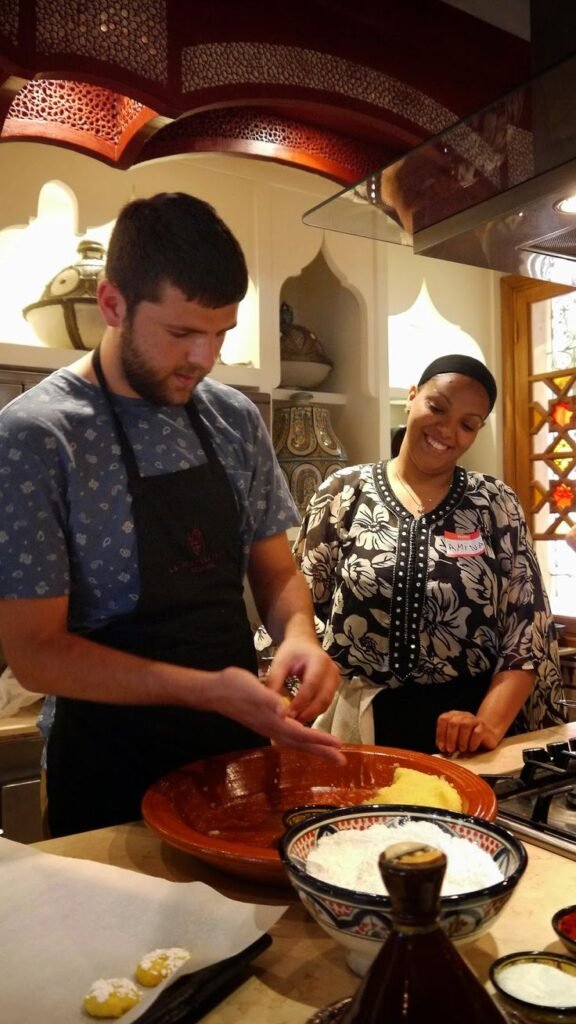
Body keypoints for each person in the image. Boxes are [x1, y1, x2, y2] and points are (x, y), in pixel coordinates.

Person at [0, 192, 343, 837]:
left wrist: (300, 634)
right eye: (182, 333)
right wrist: (202, 688)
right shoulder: (38, 436)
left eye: (221, 334)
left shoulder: (234, 419)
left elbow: (276, 572)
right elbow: (36, 655)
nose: (204, 359)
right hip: (107, 775)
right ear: (112, 304)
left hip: (234, 759)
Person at [294, 353, 566, 756]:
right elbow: (299, 608)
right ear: (412, 397)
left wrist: (487, 725)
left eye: (467, 425)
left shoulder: (494, 503)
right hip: (357, 728)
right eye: (437, 407)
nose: (447, 431)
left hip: (466, 733)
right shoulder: (344, 491)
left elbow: (526, 632)